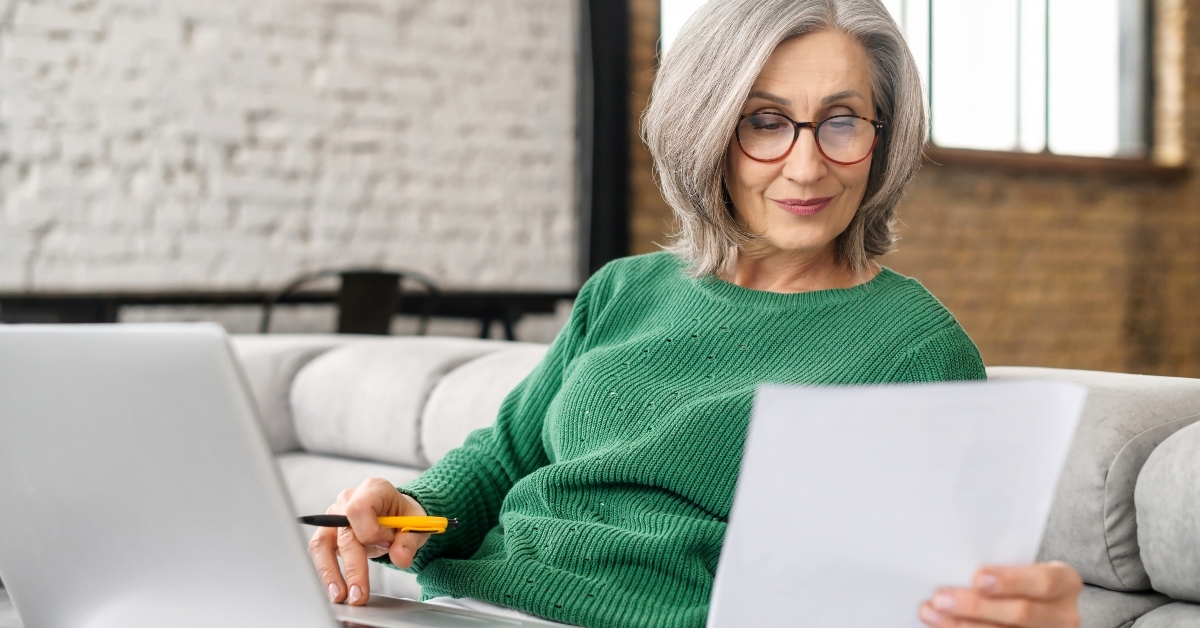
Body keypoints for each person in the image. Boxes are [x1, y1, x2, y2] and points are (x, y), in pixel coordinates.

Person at [308, 1, 1084, 627]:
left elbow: (910, 593)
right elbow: (503, 458)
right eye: (765, 121)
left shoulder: (915, 351)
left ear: (882, 140)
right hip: (460, 607)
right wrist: (412, 509)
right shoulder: (625, 290)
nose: (807, 166)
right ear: (708, 129)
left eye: (842, 121)